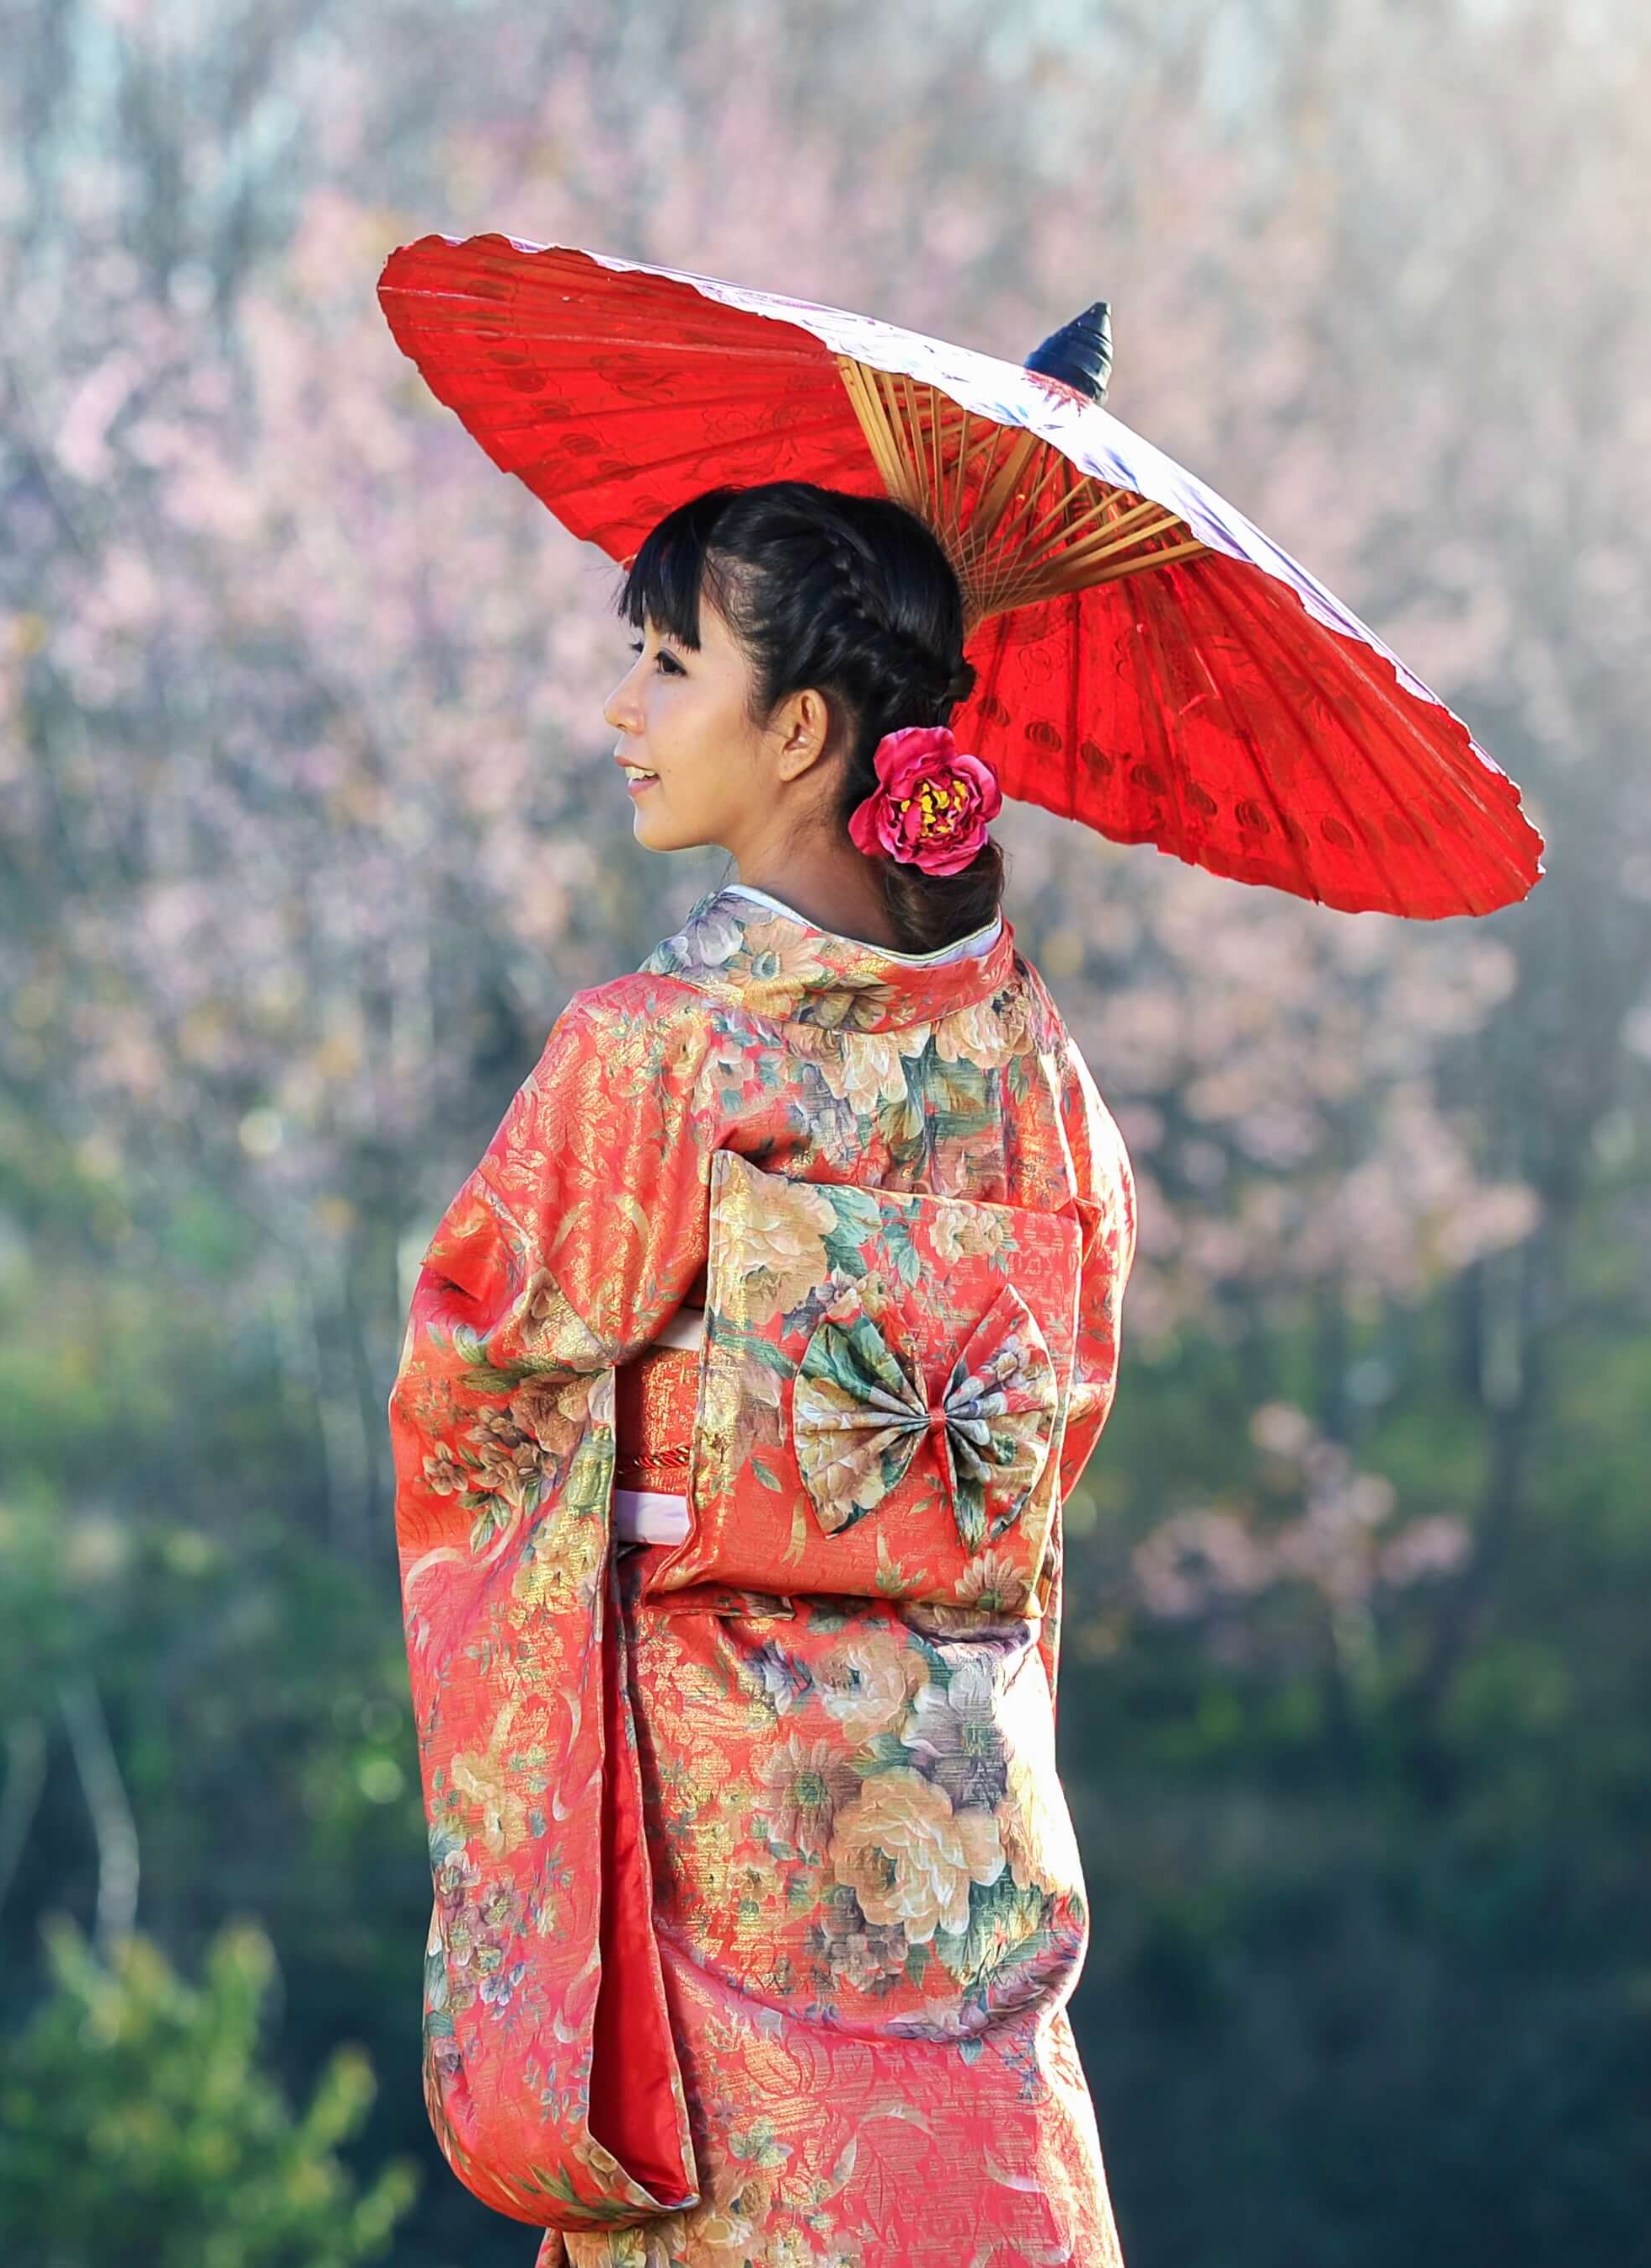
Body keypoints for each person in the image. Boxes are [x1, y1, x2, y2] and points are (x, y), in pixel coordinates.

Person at [389, 480, 1135, 2266]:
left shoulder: (659, 1054)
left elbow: (474, 1389)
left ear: (800, 729)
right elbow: (1057, 1408)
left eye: (667, 663)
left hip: (724, 1811)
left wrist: (651, 1485)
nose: (621, 709)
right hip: (957, 1810)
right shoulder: (1029, 1067)